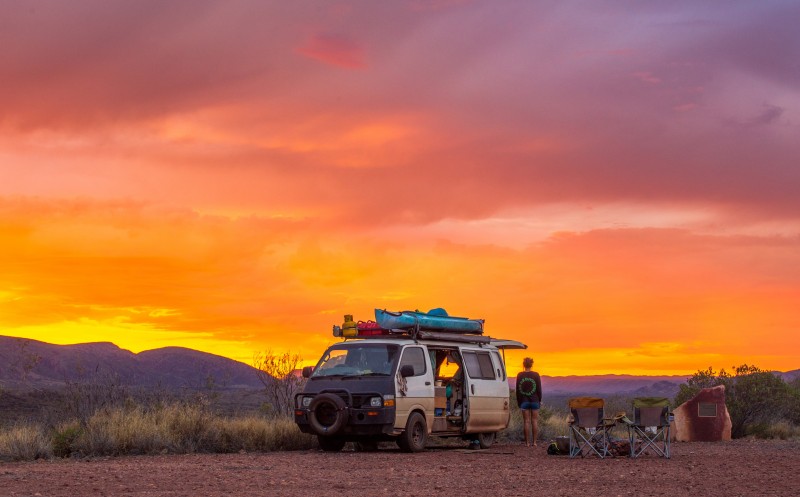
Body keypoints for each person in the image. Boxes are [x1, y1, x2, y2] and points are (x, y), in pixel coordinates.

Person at [516, 357, 542, 447]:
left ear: (524, 365)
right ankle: (534, 442)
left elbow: (518, 390)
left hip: (524, 401)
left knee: (526, 421)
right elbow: (539, 389)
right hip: (535, 401)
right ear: (531, 365)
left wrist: (519, 402)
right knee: (534, 421)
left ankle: (527, 443)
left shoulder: (520, 375)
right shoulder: (536, 375)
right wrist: (540, 400)